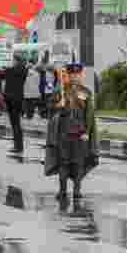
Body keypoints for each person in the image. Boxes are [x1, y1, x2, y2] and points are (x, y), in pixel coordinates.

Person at [44, 63, 98, 201]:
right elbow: (48, 108)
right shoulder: (60, 91)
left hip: (80, 134)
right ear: (68, 75)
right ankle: (62, 191)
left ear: (81, 75)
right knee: (63, 162)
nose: (75, 77)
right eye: (72, 74)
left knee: (78, 163)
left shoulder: (86, 92)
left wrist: (87, 131)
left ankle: (77, 191)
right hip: (63, 133)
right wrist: (58, 105)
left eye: (77, 75)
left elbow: (89, 114)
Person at [3, 55, 28, 153]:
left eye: (12, 60)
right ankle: (18, 145)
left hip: (12, 100)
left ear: (17, 61)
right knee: (16, 124)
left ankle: (18, 146)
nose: (11, 61)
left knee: (15, 124)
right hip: (18, 100)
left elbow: (0, 75)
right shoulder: (23, 70)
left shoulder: (12, 70)